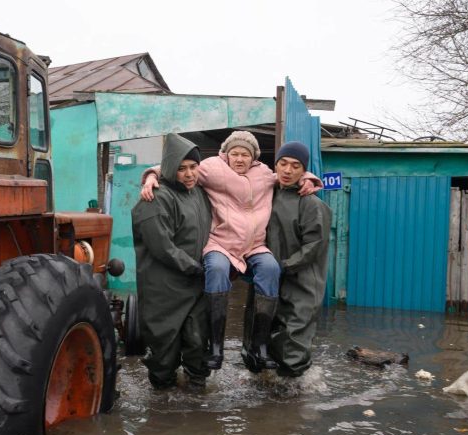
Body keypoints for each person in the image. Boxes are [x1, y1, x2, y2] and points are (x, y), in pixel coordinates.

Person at [141, 131, 322, 372]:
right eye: (235, 153)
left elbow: (289, 173)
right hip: (220, 243)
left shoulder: (265, 174)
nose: (239, 158)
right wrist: (151, 176)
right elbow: (177, 166)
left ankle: (259, 345)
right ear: (226, 154)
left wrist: (308, 179)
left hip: (254, 245)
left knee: (271, 269)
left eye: (245, 154)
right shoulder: (211, 169)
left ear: (254, 157)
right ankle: (216, 347)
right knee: (215, 269)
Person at [131, 133, 212, 390]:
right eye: (181, 169)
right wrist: (196, 268)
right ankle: (161, 411)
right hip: (164, 290)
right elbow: (162, 248)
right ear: (169, 169)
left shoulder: (198, 193)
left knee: (198, 344)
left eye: (193, 167)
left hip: (195, 286)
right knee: (163, 352)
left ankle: (197, 405)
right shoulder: (155, 198)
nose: (189, 174)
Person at [265, 141, 332, 378]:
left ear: (304, 171)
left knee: (294, 335)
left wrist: (283, 266)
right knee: (268, 334)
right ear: (275, 165)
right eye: (283, 163)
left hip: (303, 281)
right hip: (272, 278)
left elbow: (314, 246)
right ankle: (273, 393)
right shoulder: (267, 194)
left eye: (295, 166)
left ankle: (294, 399)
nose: (288, 170)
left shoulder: (312, 204)